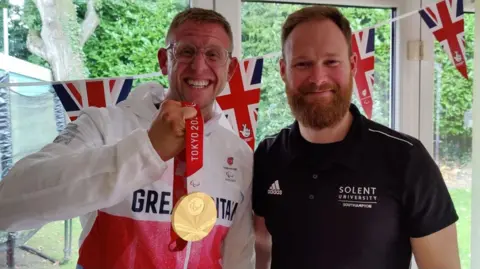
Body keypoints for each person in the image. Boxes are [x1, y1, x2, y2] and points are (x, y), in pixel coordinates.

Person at [0, 8, 255, 269]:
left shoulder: (240, 155)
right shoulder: (104, 125)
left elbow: (239, 258)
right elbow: (8, 203)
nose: (200, 66)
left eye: (213, 54)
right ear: (164, 60)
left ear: (231, 68)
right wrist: (146, 151)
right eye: (186, 51)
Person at [253, 5, 460, 269]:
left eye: (331, 62)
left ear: (352, 65)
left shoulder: (406, 158)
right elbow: (261, 250)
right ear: (283, 71)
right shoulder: (268, 155)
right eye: (302, 64)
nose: (318, 78)